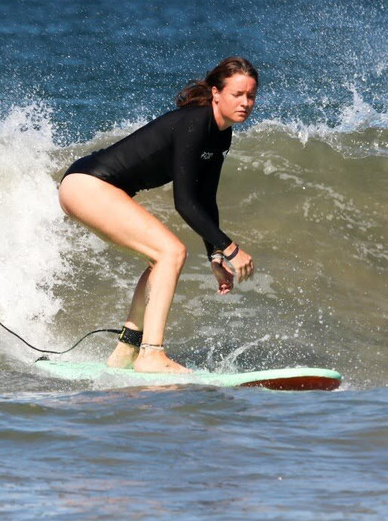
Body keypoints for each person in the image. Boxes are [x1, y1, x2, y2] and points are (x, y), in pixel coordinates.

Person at [57, 57, 258, 373]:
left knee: (161, 258)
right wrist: (232, 249)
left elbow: (205, 198)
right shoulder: (195, 122)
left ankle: (127, 350)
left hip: (91, 187)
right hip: (88, 185)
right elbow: (185, 202)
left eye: (250, 95)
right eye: (237, 94)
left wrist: (215, 256)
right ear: (216, 93)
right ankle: (151, 354)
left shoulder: (221, 134)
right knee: (171, 252)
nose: (245, 103)